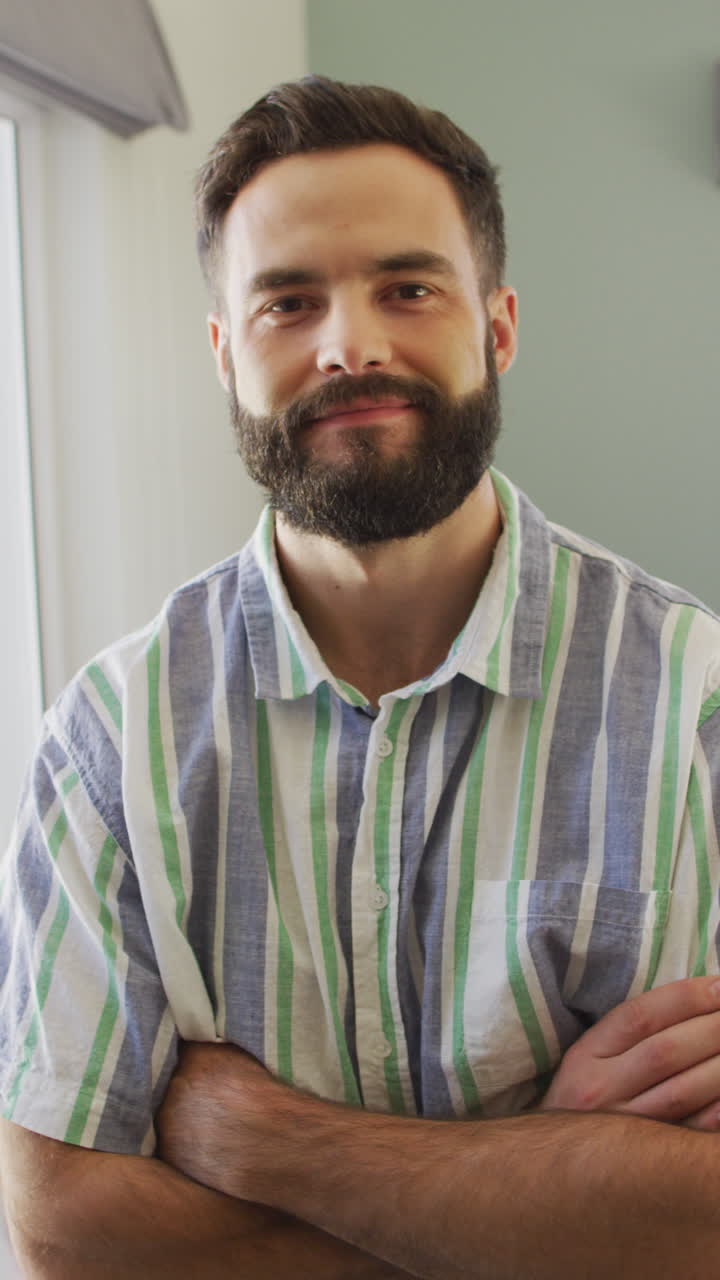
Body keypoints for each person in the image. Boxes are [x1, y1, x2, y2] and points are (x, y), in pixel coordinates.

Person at [1, 74, 720, 1278]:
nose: (352, 345)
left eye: (408, 287)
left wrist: (264, 1140)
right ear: (227, 354)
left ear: (497, 324)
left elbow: (697, 1226)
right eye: (289, 302)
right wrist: (544, 1186)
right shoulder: (107, 742)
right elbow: (63, 1228)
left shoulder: (696, 703)